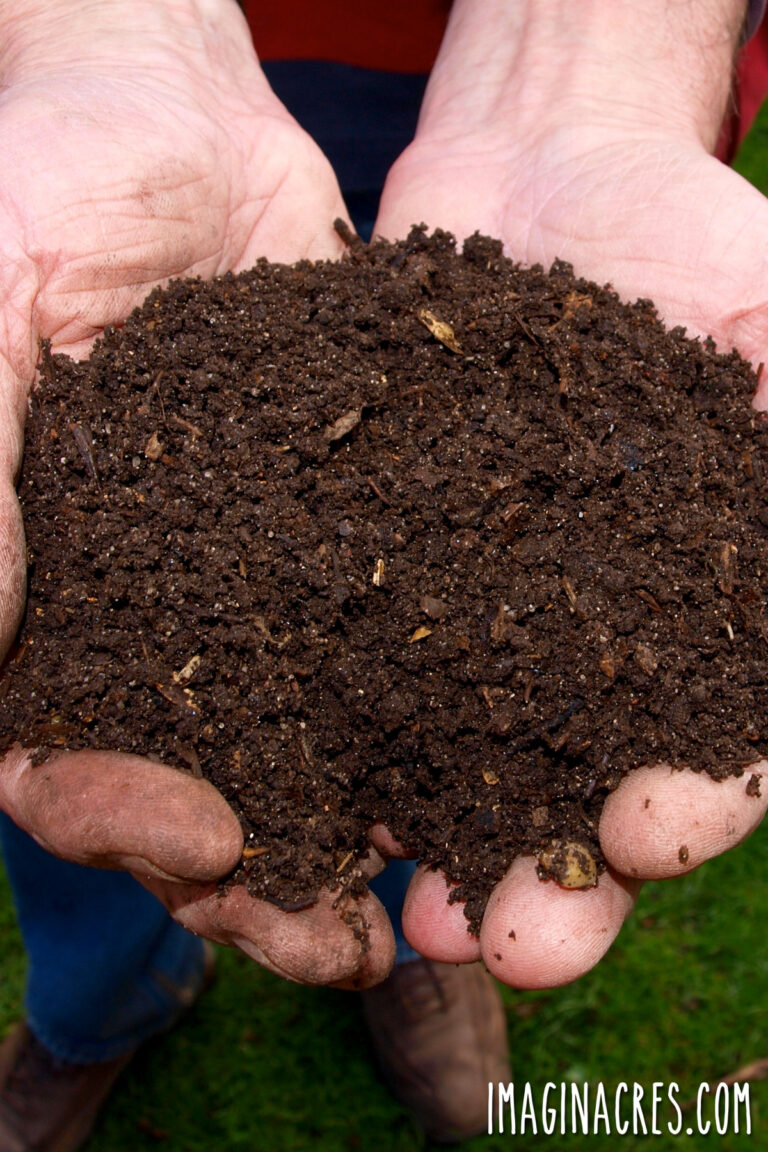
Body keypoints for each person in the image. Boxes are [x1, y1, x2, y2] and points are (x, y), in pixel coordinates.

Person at [0, 0, 767, 1146]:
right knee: (88, 795)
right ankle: (94, 1012)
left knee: (419, 804)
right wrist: (92, 38)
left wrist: (589, 69)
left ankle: (419, 952)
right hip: (161, 89)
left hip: (483, 89)